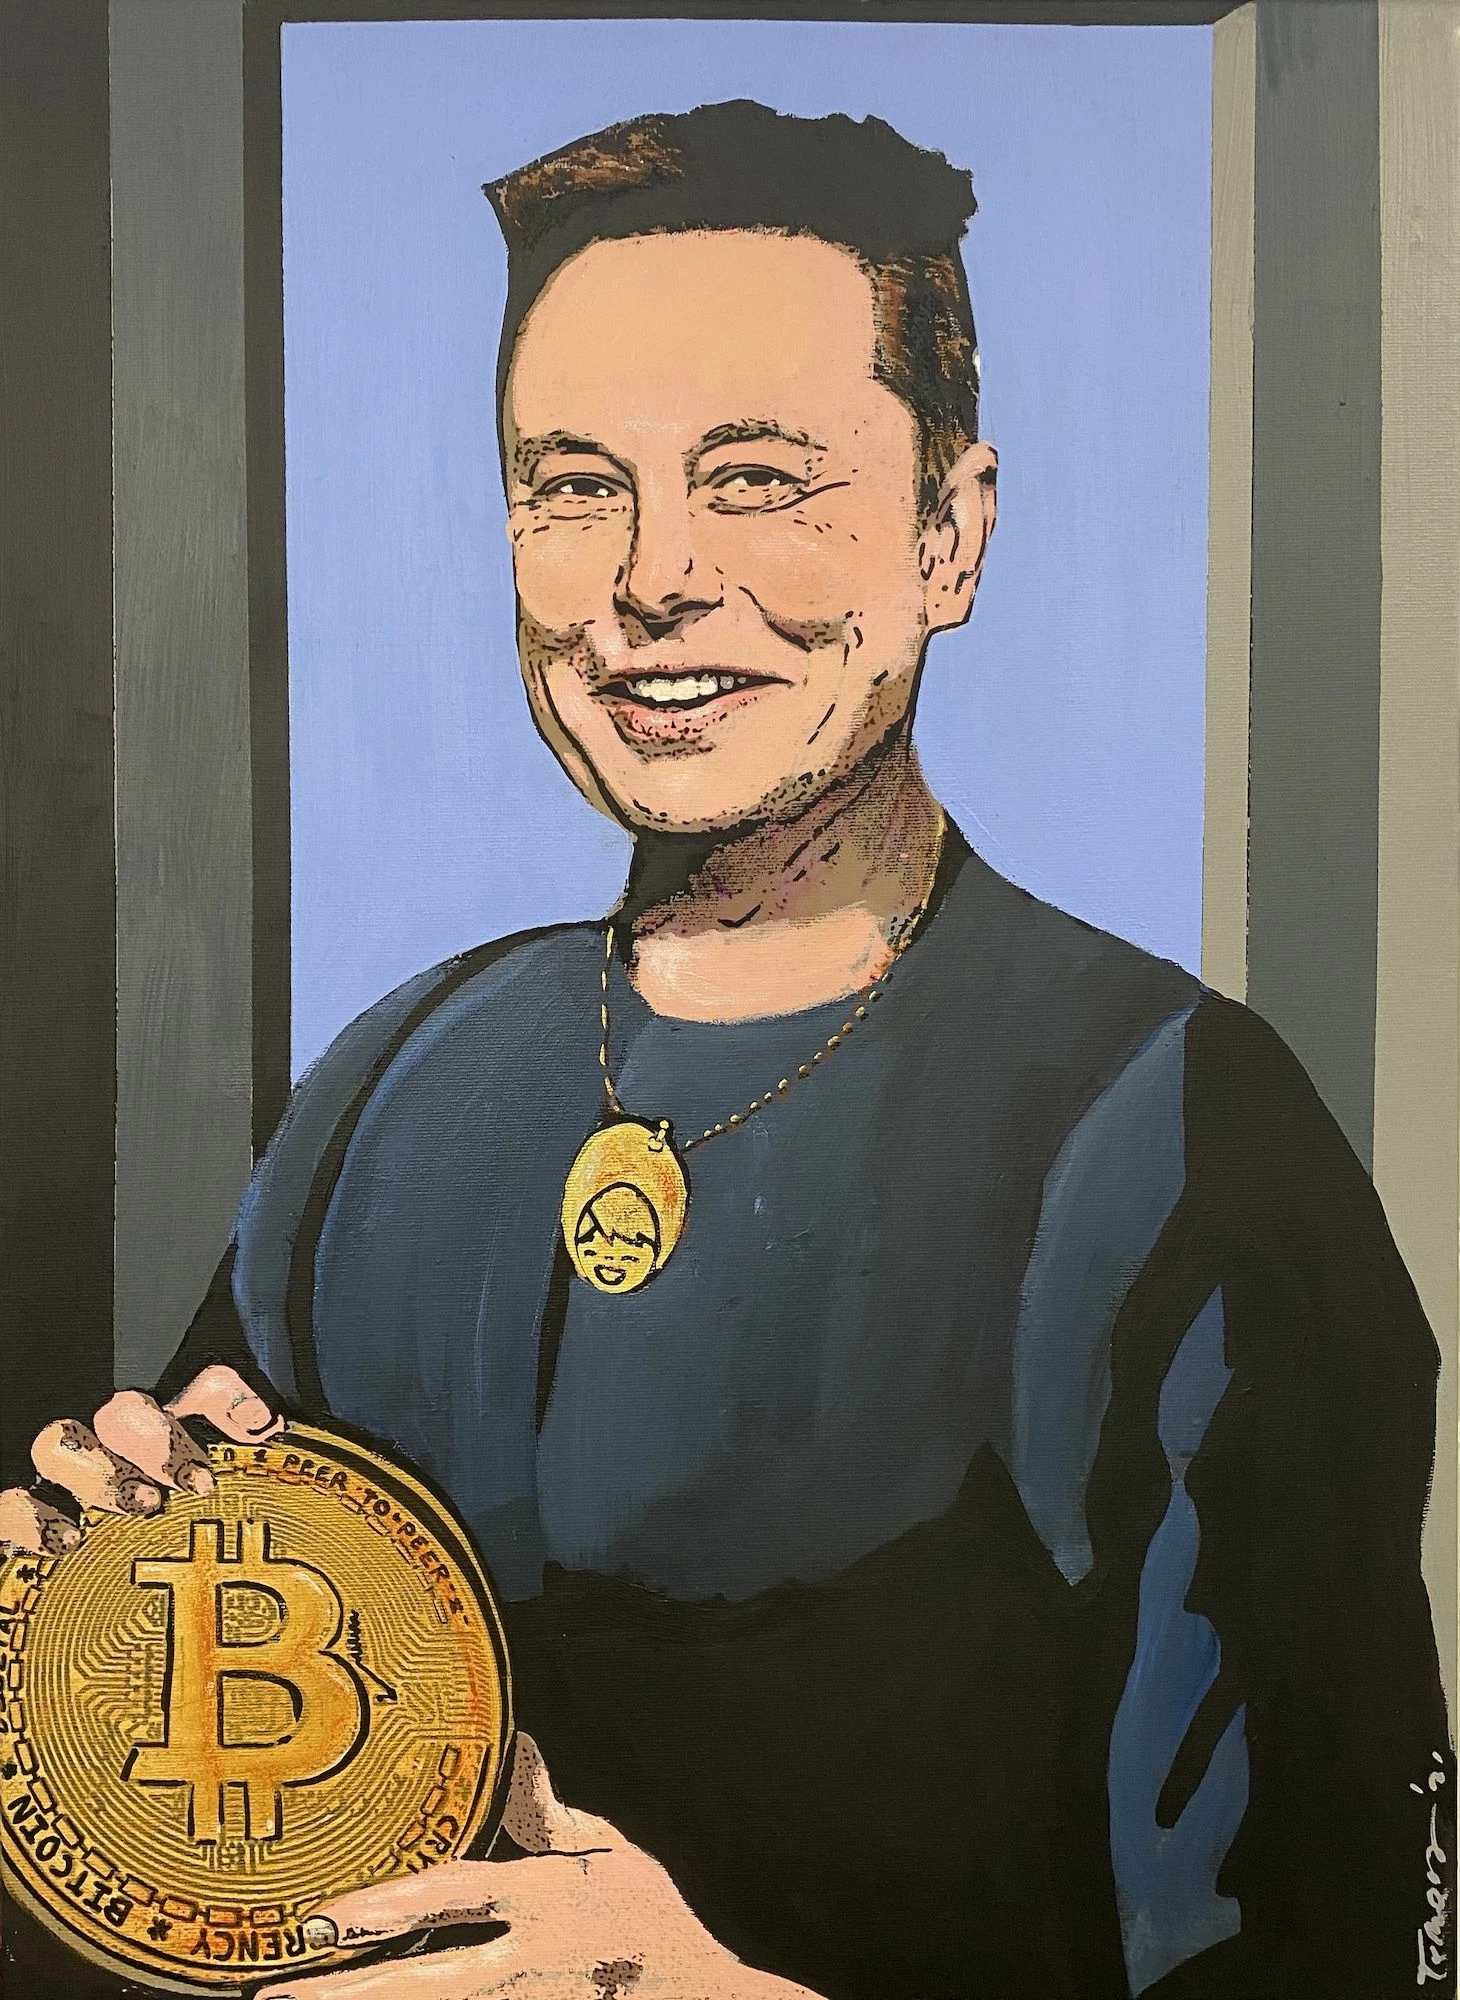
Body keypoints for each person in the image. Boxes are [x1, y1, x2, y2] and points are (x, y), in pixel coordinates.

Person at [2, 101, 1451, 2000]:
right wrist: (89, 1640)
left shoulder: (1177, 1123)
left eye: (758, 478)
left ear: (950, 533)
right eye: (572, 483)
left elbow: (1352, 1957)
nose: (651, 576)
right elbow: (220, 1841)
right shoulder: (397, 1088)